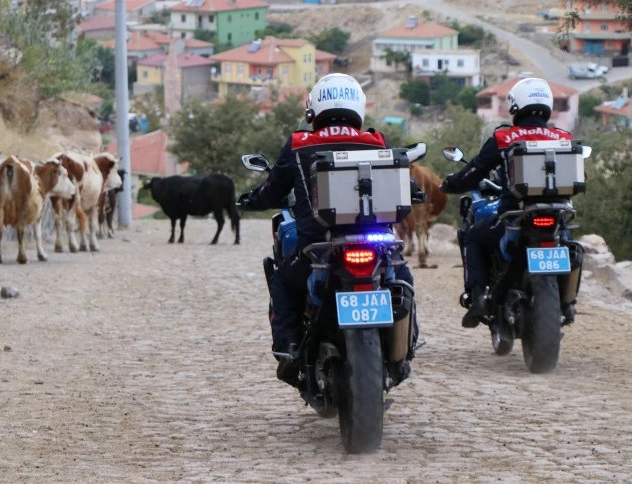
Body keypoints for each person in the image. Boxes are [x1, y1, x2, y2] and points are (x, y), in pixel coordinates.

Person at [239, 73, 421, 386]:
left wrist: (249, 199)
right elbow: (406, 186)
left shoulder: (299, 144)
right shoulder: (375, 141)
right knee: (402, 279)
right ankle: (407, 346)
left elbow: (271, 190)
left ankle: (288, 348)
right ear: (359, 108)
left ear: (313, 110)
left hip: (318, 249)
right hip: (374, 244)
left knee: (282, 279)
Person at [440, 77, 573, 328]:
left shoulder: (503, 138)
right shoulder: (563, 137)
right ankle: (568, 302)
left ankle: (478, 297)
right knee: (572, 247)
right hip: (557, 217)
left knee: (473, 237)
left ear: (516, 106)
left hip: (515, 215)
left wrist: (452, 184)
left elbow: (474, 171)